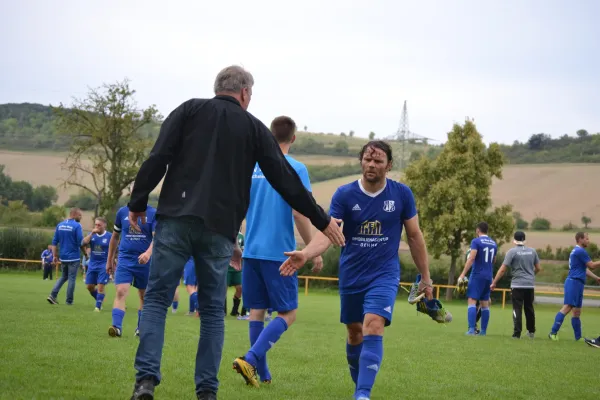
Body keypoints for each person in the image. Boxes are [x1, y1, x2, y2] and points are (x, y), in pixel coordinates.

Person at [126, 65, 344, 400]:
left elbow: (159, 157)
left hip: (174, 220)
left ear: (218, 88)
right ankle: (207, 391)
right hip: (219, 230)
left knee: (156, 300)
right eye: (250, 94)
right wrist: (323, 220)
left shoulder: (187, 110)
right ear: (244, 93)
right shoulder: (254, 128)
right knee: (213, 311)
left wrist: (138, 201)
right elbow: (285, 180)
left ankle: (145, 382)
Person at [279, 140, 433, 400]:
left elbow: (415, 237)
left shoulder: (402, 194)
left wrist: (426, 278)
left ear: (389, 165)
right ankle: (359, 385)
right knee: (354, 332)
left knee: (373, 324)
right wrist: (305, 253)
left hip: (384, 273)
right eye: (368, 160)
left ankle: (362, 394)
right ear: (361, 161)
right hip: (351, 274)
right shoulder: (344, 195)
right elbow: (329, 232)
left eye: (378, 161)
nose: (372, 165)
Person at [232, 116, 323, 387]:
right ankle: (250, 359)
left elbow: (239, 206)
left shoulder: (253, 168)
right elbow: (300, 211)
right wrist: (312, 250)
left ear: (270, 136)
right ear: (293, 138)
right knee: (288, 314)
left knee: (257, 311)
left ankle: (263, 375)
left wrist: (234, 244)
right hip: (279, 254)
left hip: (251, 251)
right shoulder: (296, 168)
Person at [106, 204, 156, 338]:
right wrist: (109, 259)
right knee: (121, 291)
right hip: (125, 259)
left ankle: (140, 328)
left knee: (144, 296)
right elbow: (115, 237)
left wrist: (148, 253)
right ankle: (116, 327)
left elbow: (157, 238)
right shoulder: (122, 212)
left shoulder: (153, 213)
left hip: (145, 260)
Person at [548, 232, 600, 341]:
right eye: (586, 238)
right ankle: (553, 333)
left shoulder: (577, 251)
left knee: (577, 311)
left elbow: (585, 269)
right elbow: (592, 265)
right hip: (574, 282)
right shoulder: (580, 251)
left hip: (578, 282)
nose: (588, 240)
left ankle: (578, 337)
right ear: (580, 239)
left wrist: (596, 278)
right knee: (568, 307)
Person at [490, 231, 541, 339]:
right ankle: (531, 332)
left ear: (514, 240)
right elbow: (538, 268)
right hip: (529, 285)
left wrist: (494, 282)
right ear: (524, 239)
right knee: (529, 308)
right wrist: (531, 275)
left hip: (517, 285)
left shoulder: (512, 252)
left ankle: (517, 333)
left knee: (517, 308)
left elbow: (503, 269)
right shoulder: (532, 251)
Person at [458, 222, 497, 336]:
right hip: (488, 276)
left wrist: (462, 274)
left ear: (477, 230)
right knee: (485, 303)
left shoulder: (476, 241)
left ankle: (471, 329)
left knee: (472, 301)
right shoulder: (494, 243)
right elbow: (493, 261)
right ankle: (483, 331)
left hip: (477, 275)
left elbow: (471, 258)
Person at [46, 208, 84, 305]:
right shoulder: (77, 225)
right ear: (74, 214)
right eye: (80, 215)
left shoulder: (60, 225)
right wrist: (86, 253)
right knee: (71, 278)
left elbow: (54, 242)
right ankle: (69, 301)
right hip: (74, 257)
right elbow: (81, 242)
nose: (81, 217)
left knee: (64, 276)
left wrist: (54, 255)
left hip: (63, 257)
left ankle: (52, 295)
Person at [81, 217, 112, 311]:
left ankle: (97, 307)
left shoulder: (110, 236)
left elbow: (115, 249)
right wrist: (92, 233)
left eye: (99, 225)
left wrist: (112, 262)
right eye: (96, 225)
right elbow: (83, 243)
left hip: (104, 264)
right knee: (89, 287)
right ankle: (99, 299)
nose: (97, 226)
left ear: (104, 225)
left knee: (100, 286)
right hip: (92, 264)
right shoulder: (92, 235)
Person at [226, 231, 246, 317]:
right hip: (226, 266)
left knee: (239, 288)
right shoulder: (226, 233)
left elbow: (243, 250)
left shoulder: (241, 236)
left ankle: (234, 310)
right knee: (223, 288)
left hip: (237, 267)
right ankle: (222, 310)